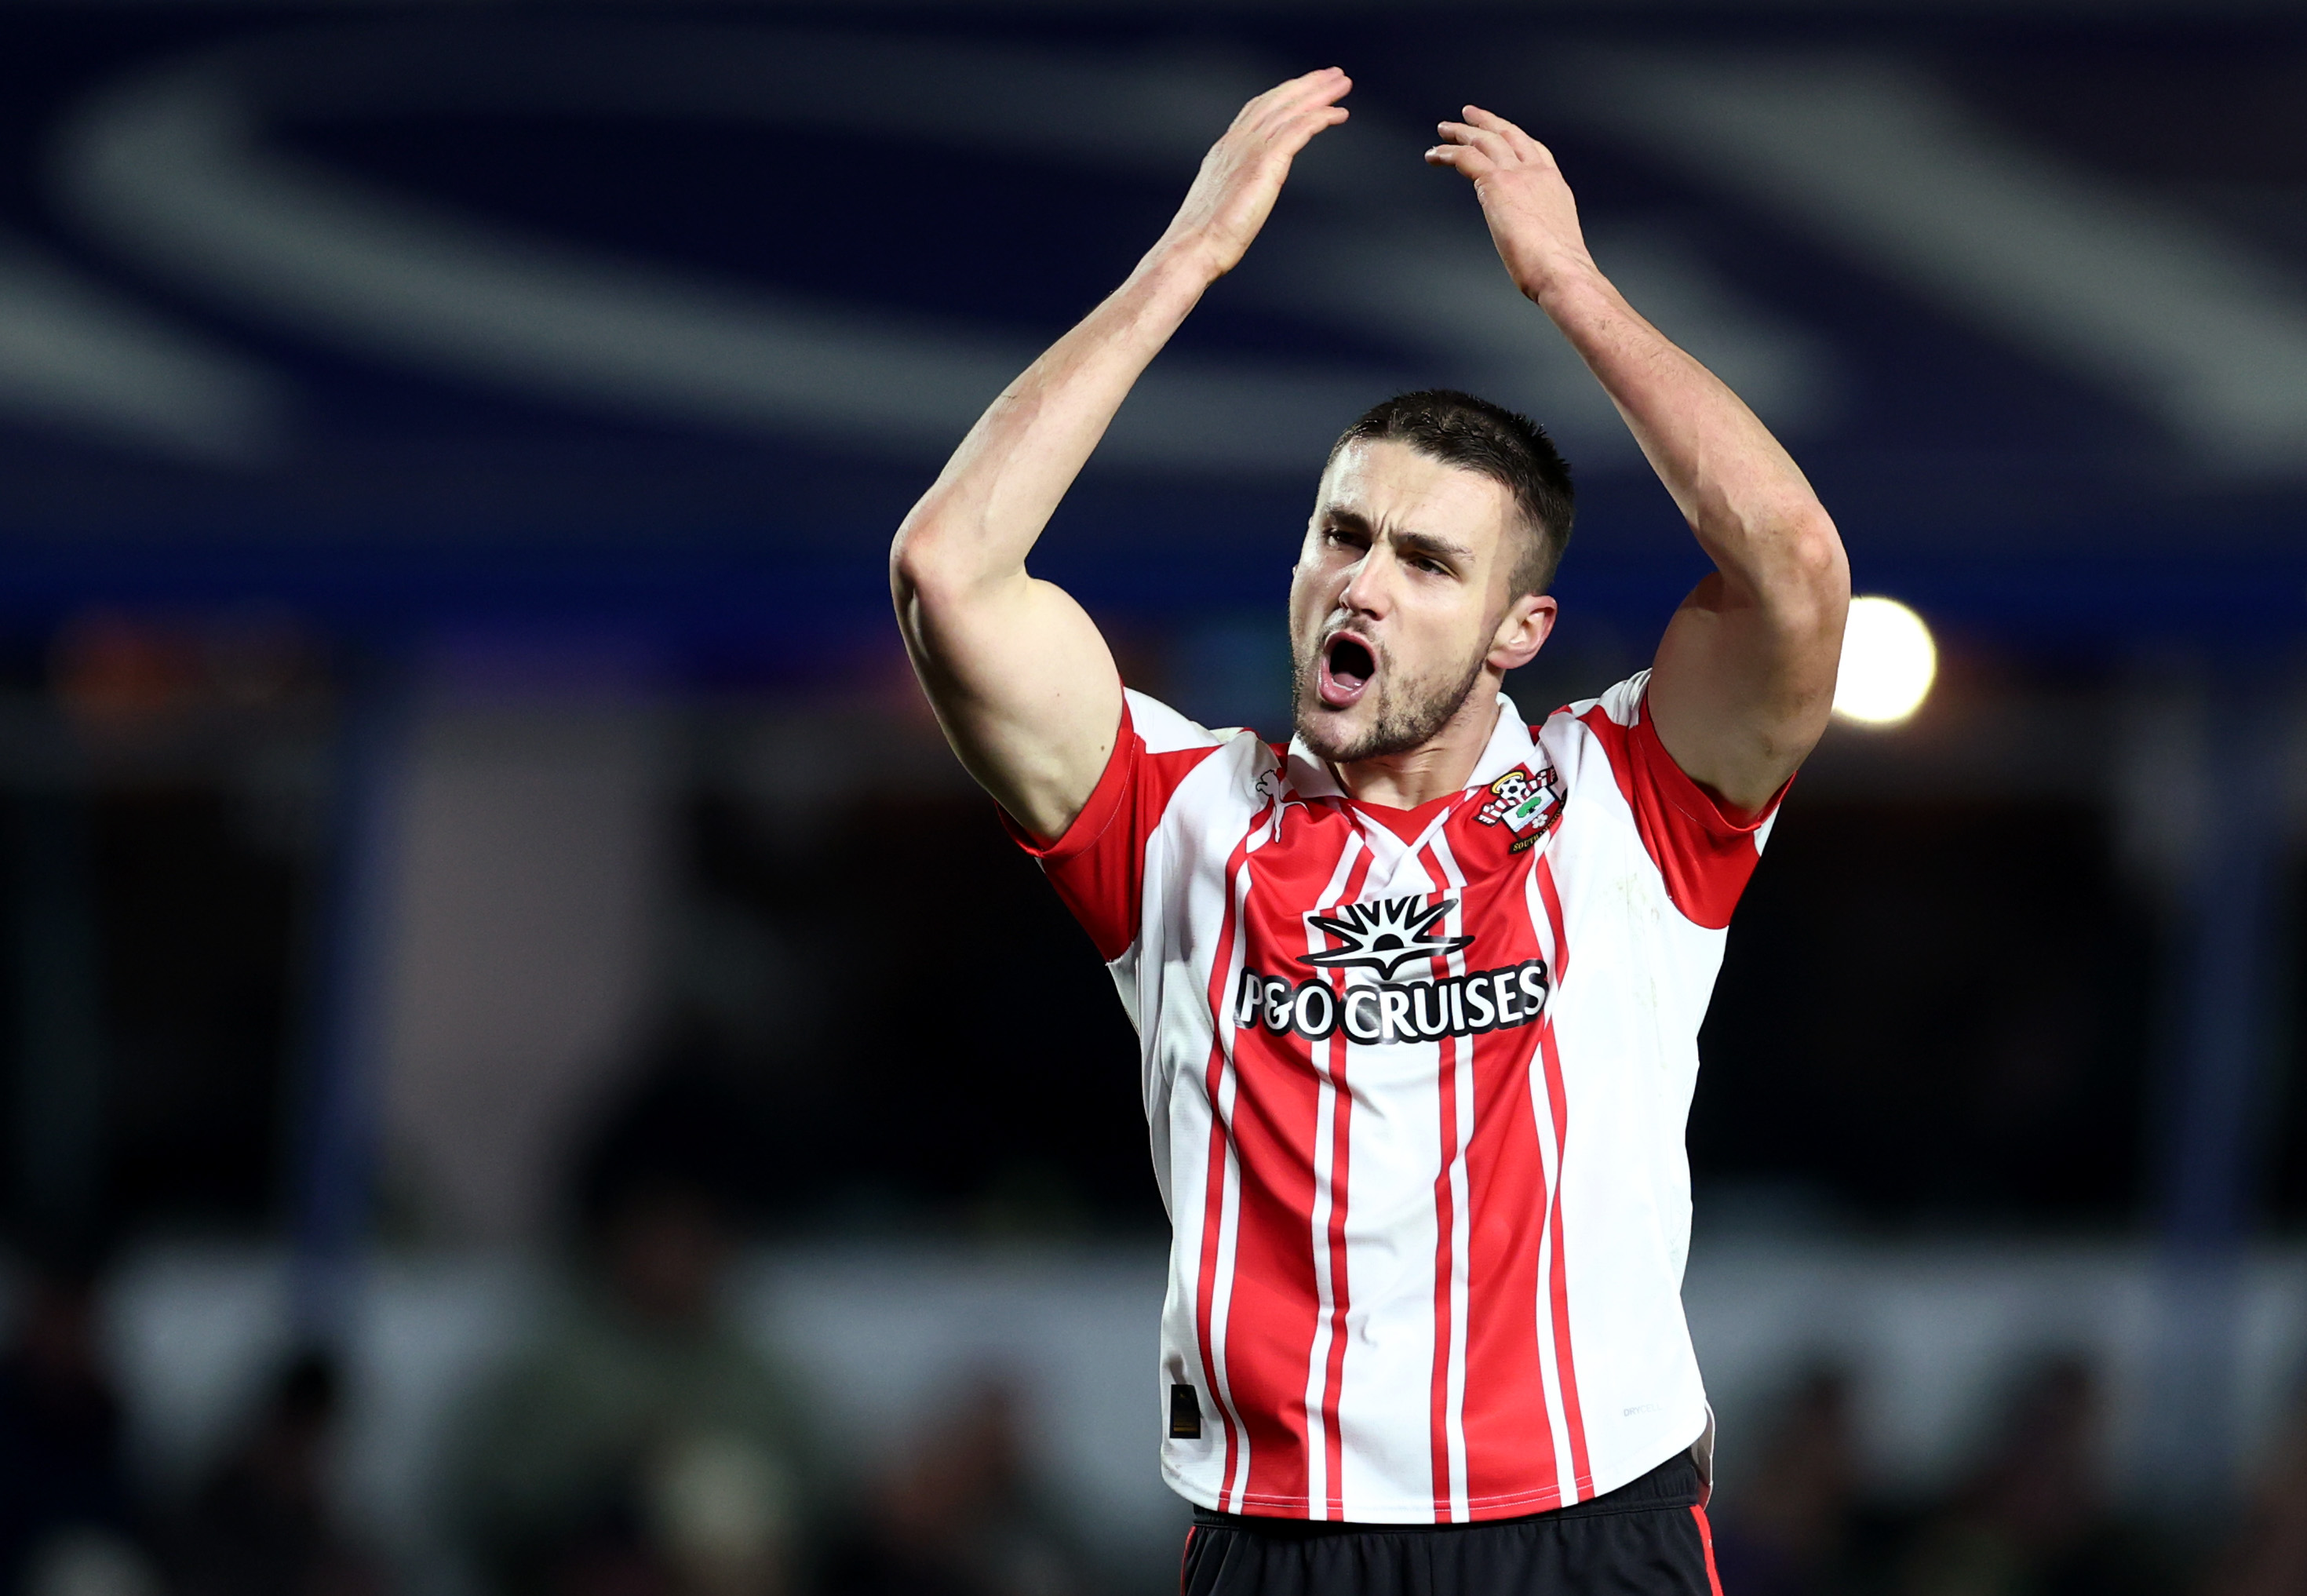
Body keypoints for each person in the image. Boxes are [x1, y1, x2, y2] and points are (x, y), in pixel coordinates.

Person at [890, 67, 1848, 1594]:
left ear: (1520, 629)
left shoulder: (1628, 804)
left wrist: (1570, 287)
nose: (1363, 584)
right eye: (1341, 536)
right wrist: (1184, 261)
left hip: (1591, 1534)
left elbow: (1794, 567)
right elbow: (949, 569)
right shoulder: (1177, 819)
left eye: (1423, 561)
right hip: (1290, 1547)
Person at [441, 1179, 817, 1596]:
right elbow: (493, 1504)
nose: (674, 1262)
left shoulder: (754, 1374)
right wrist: (616, 1473)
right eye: (658, 1241)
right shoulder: (556, 1371)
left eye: (694, 1243)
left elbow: (817, 1496)